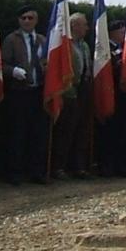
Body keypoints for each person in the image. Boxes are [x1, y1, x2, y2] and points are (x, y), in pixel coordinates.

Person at [1, 5, 47, 183]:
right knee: (17, 134)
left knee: (38, 134)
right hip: (19, 92)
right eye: (23, 18)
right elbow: (2, 64)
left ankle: (36, 171)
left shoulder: (43, 40)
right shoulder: (12, 39)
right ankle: (15, 172)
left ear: (36, 20)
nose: (27, 21)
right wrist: (13, 71)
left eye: (30, 18)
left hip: (38, 91)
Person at [51, 12, 92, 180]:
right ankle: (58, 166)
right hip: (68, 91)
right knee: (65, 130)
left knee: (81, 130)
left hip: (83, 90)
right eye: (84, 24)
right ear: (74, 26)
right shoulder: (65, 44)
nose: (87, 28)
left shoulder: (85, 46)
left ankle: (78, 166)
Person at [98, 13, 126, 177]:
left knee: (123, 132)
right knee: (109, 132)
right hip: (110, 94)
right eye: (121, 31)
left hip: (125, 95)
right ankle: (107, 166)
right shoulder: (106, 49)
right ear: (112, 33)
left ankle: (123, 165)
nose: (123, 35)